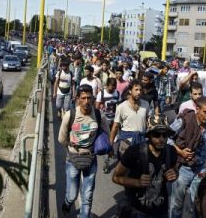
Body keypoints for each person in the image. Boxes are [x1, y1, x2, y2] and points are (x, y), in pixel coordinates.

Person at [112, 114, 178, 218]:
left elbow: (175, 171)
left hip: (161, 210)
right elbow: (116, 177)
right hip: (137, 210)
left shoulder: (171, 151)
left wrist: (174, 175)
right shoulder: (134, 152)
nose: (161, 139)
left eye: (165, 135)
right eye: (157, 134)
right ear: (149, 135)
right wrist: (137, 182)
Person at [57, 84, 107, 218]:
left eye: (89, 98)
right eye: (83, 98)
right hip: (73, 158)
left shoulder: (98, 115)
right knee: (72, 195)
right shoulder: (70, 115)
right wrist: (73, 145)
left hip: (91, 158)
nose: (86, 101)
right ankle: (67, 204)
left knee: (88, 195)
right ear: (77, 98)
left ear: (92, 98)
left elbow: (105, 133)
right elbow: (61, 139)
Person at [170, 97, 206, 218]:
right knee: (176, 205)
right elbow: (166, 138)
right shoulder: (184, 121)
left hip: (200, 171)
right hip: (183, 169)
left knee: (197, 205)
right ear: (197, 109)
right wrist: (180, 151)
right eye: (205, 112)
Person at [110, 80, 151, 159]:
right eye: (136, 90)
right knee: (124, 168)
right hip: (126, 143)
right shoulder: (121, 107)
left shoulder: (146, 104)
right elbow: (115, 126)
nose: (139, 92)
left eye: (140, 90)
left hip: (141, 142)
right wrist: (111, 144)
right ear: (130, 91)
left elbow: (148, 122)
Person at [95, 78, 120, 173]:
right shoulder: (101, 94)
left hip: (115, 120)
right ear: (107, 85)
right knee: (108, 141)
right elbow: (97, 108)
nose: (113, 88)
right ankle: (106, 162)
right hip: (104, 120)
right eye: (111, 86)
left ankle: (112, 153)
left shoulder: (117, 93)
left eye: (114, 86)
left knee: (114, 140)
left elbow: (119, 106)